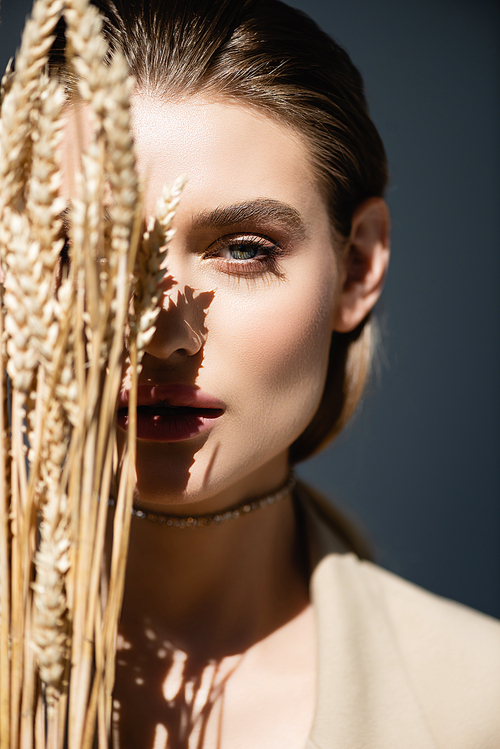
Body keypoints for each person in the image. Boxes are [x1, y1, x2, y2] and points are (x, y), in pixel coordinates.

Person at [54, 1, 500, 747]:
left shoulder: (477, 702)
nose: (163, 336)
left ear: (357, 266)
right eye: (96, 253)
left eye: (243, 248)